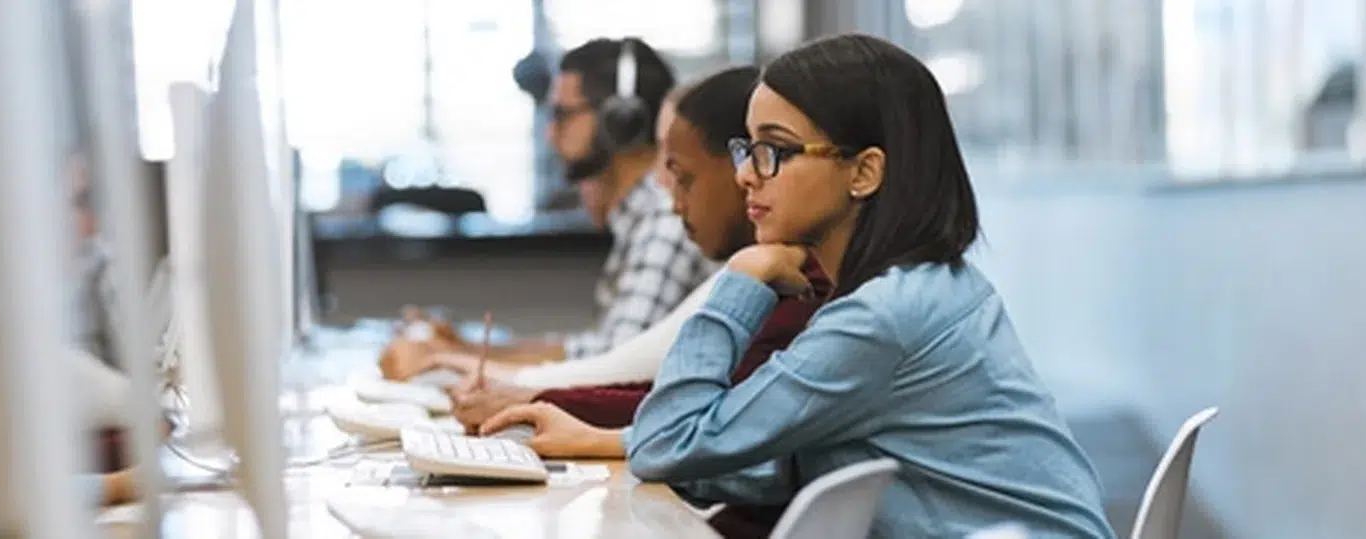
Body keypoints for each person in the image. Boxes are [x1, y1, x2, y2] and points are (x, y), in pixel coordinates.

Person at [583, 34, 1110, 538]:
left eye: (776, 150)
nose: (746, 174)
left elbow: (668, 443)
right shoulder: (922, 288)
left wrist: (741, 280)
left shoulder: (882, 318)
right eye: (749, 148)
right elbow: (786, 463)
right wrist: (614, 442)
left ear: (864, 172)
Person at [452, 67, 769, 432]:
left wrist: (515, 391)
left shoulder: (757, 273)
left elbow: (638, 379)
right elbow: (670, 400)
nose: (663, 187)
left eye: (680, 171)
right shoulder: (762, 269)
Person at [379, 37, 715, 378]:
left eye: (562, 115)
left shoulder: (665, 221)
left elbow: (611, 371)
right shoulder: (642, 219)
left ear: (619, 121)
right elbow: (598, 349)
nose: (550, 134)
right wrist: (464, 348)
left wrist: (447, 359)